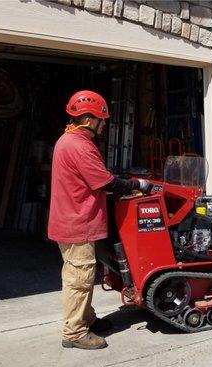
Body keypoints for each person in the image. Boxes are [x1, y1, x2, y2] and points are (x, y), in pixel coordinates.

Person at [48, 90, 152, 350]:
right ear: (87, 120)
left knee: (82, 274)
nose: (104, 124)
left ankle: (87, 318)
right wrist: (137, 184)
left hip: (72, 220)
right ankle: (74, 332)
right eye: (101, 120)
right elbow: (105, 182)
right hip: (77, 223)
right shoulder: (80, 145)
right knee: (79, 278)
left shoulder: (69, 140)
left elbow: (95, 177)